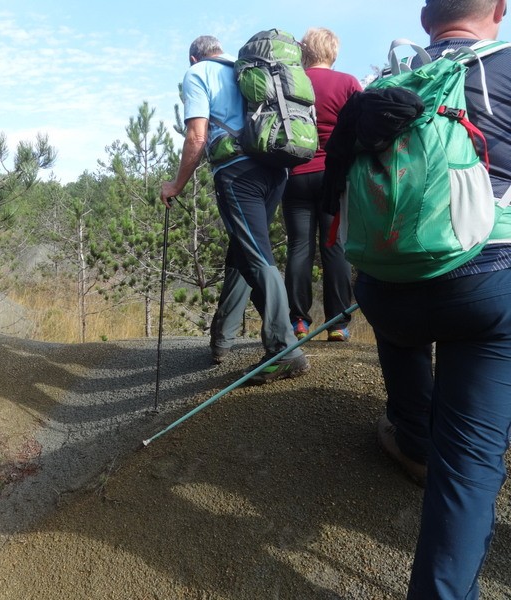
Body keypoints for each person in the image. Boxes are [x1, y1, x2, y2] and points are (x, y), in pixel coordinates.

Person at [353, 0, 511, 597]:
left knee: (402, 322)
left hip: (384, 288)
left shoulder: (384, 82)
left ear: (426, 17)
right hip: (484, 283)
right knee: (469, 467)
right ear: (499, 8)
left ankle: (413, 438)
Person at [160, 35, 309, 384]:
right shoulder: (249, 69)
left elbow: (197, 136)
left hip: (238, 173)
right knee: (244, 250)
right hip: (276, 169)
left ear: (193, 57)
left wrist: (175, 185)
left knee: (257, 256)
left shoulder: (197, 74)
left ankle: (285, 350)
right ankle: (223, 337)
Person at [282, 28, 359, 342]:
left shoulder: (289, 83)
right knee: (334, 247)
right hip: (334, 178)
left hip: (294, 175)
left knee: (299, 247)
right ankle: (338, 324)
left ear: (304, 52)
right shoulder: (348, 83)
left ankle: (298, 321)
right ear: (333, 51)